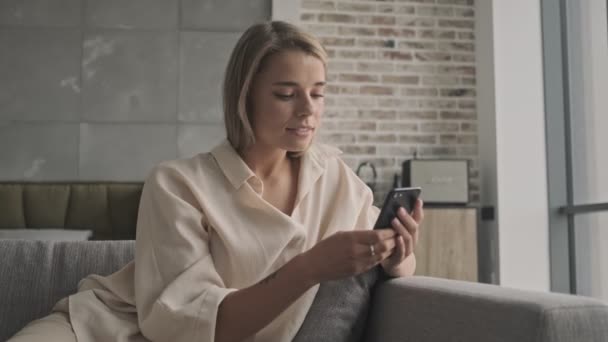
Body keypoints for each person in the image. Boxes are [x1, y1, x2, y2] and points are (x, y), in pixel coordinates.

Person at [9, 20, 423, 342]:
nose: (307, 110)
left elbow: (400, 267)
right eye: (285, 94)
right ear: (245, 97)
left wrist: (397, 252)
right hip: (105, 329)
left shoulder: (336, 179)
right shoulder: (179, 184)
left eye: (317, 93)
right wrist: (311, 267)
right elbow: (193, 328)